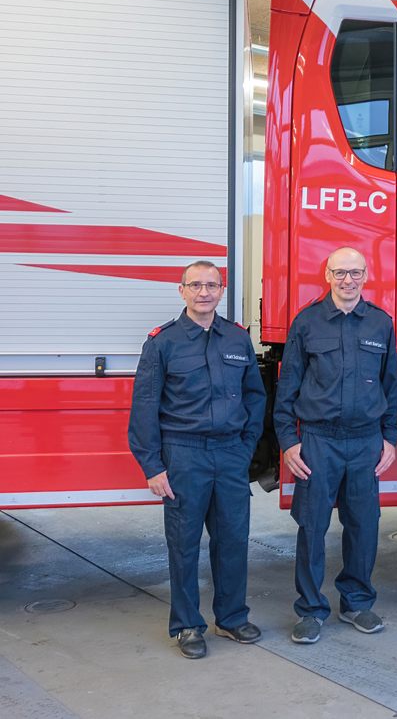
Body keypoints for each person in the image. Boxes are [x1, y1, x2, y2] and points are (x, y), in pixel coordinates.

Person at [128, 260, 266, 659]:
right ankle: (188, 625)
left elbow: (255, 399)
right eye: (196, 285)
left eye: (212, 285)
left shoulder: (237, 340)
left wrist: (245, 448)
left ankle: (232, 617)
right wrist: (153, 465)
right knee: (184, 544)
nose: (204, 292)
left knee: (234, 540)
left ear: (222, 291)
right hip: (184, 455)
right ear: (182, 290)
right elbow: (145, 407)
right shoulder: (162, 342)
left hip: (229, 455)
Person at [274, 247, 397, 644]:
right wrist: (289, 441)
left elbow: (390, 385)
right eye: (340, 272)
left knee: (364, 526)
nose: (348, 280)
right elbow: (287, 387)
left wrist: (389, 438)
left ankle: (357, 602)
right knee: (312, 526)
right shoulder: (307, 322)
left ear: (366, 275)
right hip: (318, 441)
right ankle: (310, 609)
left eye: (356, 273)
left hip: (365, 442)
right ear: (327, 275)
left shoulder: (380, 323)